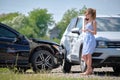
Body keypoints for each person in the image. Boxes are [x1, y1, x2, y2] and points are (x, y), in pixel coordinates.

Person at [81, 8, 97, 75]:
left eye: (87, 13)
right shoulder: (87, 21)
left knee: (88, 55)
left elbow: (95, 32)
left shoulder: (94, 22)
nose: (85, 15)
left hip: (90, 39)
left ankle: (88, 71)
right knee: (83, 56)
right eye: (85, 13)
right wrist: (84, 23)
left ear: (90, 14)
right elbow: (84, 30)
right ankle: (90, 69)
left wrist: (89, 30)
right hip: (86, 39)